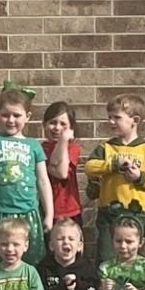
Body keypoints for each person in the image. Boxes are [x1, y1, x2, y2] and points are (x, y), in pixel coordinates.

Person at [0, 85, 54, 269]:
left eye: (17, 115)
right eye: (5, 115)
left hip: (26, 212)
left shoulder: (34, 145)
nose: (11, 120)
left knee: (27, 265)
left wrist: (50, 214)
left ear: (27, 117)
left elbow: (43, 181)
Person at [84, 93, 145, 263]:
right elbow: (89, 167)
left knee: (136, 260)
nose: (111, 122)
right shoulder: (106, 147)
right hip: (109, 212)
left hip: (138, 212)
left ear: (134, 121)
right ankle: (107, 289)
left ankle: (137, 289)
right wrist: (113, 164)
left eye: (117, 117)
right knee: (106, 257)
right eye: (109, 117)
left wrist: (140, 177)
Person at [42, 101, 84, 236]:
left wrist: (64, 141)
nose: (57, 127)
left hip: (70, 209)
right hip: (47, 209)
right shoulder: (41, 148)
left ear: (71, 128)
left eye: (63, 124)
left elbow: (62, 172)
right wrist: (63, 141)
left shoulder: (73, 147)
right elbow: (55, 166)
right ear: (44, 125)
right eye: (53, 122)